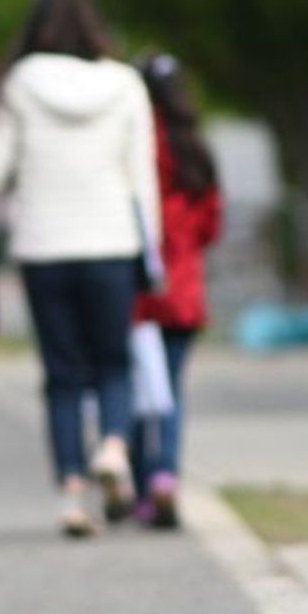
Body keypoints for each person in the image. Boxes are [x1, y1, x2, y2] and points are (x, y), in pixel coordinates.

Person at [0, 0, 159, 538]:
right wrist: (152, 248)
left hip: (44, 245)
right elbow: (141, 177)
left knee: (62, 374)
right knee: (114, 363)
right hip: (112, 242)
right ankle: (116, 449)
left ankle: (72, 495)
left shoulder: (20, 83)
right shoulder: (125, 84)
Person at [129, 54, 222, 529]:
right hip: (184, 291)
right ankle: (166, 476)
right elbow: (211, 223)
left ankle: (140, 484)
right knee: (170, 392)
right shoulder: (195, 149)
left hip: (139, 292)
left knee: (136, 389)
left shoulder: (135, 144)